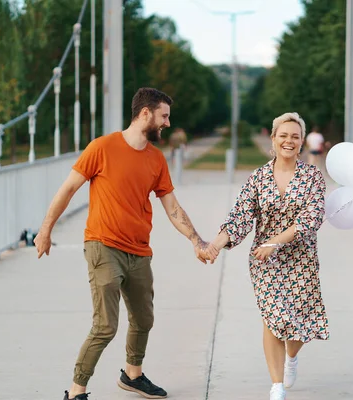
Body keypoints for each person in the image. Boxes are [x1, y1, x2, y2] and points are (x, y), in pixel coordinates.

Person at [33, 87, 217, 400]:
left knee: (144, 319)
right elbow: (67, 190)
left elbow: (172, 208)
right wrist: (45, 230)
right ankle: (76, 390)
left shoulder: (156, 159)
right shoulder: (102, 147)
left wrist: (196, 240)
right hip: (103, 245)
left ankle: (133, 375)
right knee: (106, 325)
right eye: (164, 116)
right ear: (146, 113)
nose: (167, 124)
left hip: (139, 251)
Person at [204, 112, 329, 400]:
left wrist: (275, 240)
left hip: (301, 260)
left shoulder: (312, 177)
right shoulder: (258, 178)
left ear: (301, 143)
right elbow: (240, 217)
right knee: (273, 319)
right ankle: (277, 386)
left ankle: (292, 357)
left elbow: (311, 219)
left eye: (295, 137)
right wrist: (215, 244)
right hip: (266, 262)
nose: (289, 141)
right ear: (273, 139)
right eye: (283, 135)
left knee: (299, 326)